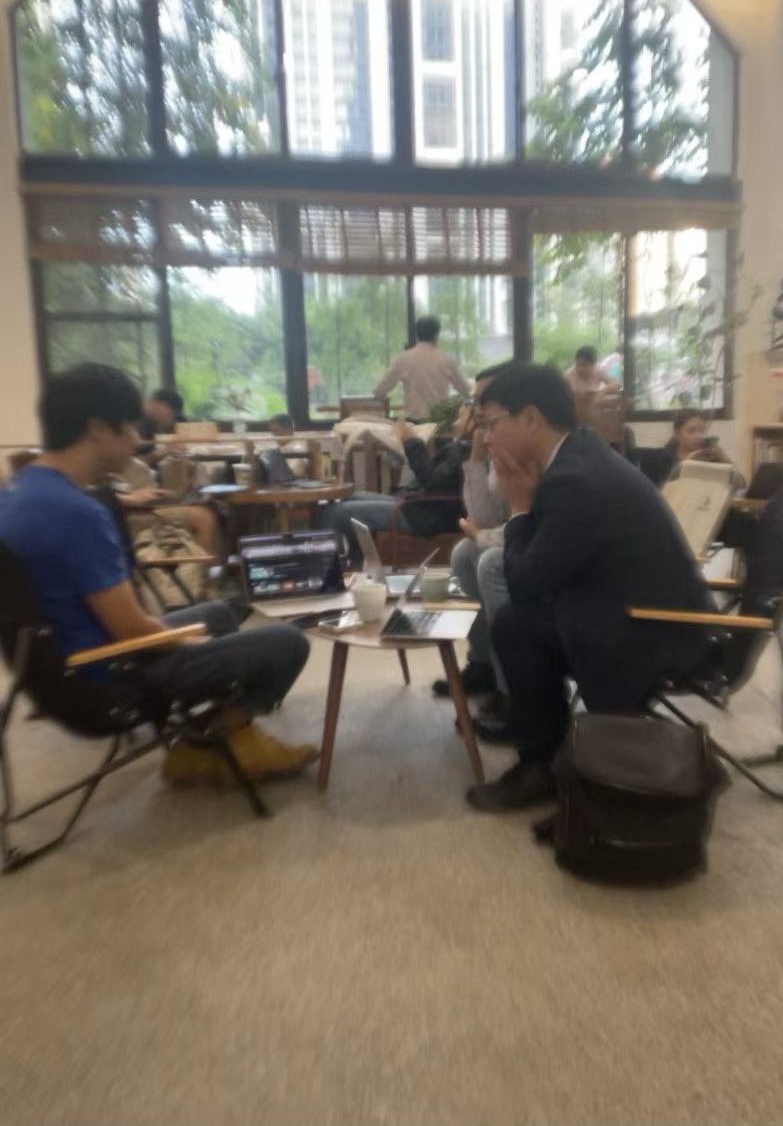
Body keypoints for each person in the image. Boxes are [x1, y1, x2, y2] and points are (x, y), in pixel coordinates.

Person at [0, 363, 316, 787]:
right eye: (128, 427)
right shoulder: (76, 514)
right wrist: (186, 642)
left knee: (219, 614)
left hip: (61, 673)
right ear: (97, 428)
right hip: (109, 682)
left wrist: (191, 638)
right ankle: (206, 744)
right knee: (288, 641)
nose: (136, 439)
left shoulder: (17, 492)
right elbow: (132, 629)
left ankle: (225, 734)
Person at [465, 364, 709, 813]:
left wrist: (519, 508)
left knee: (516, 624)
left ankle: (542, 764)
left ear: (531, 418)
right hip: (632, 610)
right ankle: (545, 749)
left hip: (653, 632)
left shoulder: (573, 478)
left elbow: (526, 583)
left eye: (491, 423)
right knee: (520, 623)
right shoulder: (577, 457)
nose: (486, 438)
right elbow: (542, 568)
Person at [433, 363, 511, 701]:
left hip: (551, 556)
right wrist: (477, 454)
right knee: (465, 553)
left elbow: (525, 527)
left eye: (485, 399)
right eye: (475, 400)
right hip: (518, 540)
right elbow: (483, 517)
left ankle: (512, 690)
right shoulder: (495, 442)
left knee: (490, 559)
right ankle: (483, 664)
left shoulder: (527, 448)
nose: (477, 409)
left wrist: (482, 534)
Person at [316, 402, 469, 566]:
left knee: (333, 513)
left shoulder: (465, 450)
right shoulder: (460, 447)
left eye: (461, 418)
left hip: (425, 515)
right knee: (348, 497)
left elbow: (433, 482)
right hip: (418, 504)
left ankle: (328, 571)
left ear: (474, 421)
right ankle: (356, 563)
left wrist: (412, 441)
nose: (454, 423)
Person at [373, 316, 469, 419]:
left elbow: (379, 391)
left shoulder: (403, 359)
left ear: (417, 335)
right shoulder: (447, 361)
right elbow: (467, 392)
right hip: (439, 423)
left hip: (413, 423)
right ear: (436, 335)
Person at [640, 408, 732, 487]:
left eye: (702, 430)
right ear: (677, 434)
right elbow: (661, 493)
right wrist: (685, 465)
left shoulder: (709, 455)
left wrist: (724, 459)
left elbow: (737, 485)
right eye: (691, 431)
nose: (698, 436)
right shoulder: (662, 460)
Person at [564, 345, 614, 428]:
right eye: (578, 365)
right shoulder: (568, 375)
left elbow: (616, 384)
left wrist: (602, 392)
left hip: (593, 413)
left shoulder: (598, 371)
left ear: (593, 365)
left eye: (584, 365)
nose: (580, 369)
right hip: (573, 414)